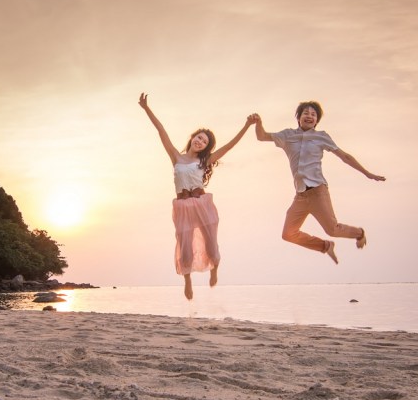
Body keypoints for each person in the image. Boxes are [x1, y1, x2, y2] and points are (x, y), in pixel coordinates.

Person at [139, 93, 254, 300]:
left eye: (204, 141)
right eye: (198, 137)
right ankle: (188, 282)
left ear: (206, 147)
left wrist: (247, 126)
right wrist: (146, 109)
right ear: (192, 138)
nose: (200, 141)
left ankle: (214, 269)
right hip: (182, 206)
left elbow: (229, 146)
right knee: (185, 247)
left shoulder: (205, 161)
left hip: (202, 204)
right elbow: (161, 131)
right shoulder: (176, 157)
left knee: (211, 244)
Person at [250, 102, 385, 264]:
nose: (309, 116)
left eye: (313, 115)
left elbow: (345, 157)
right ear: (299, 118)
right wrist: (258, 123)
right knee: (288, 234)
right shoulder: (287, 135)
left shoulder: (322, 137)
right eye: (305, 113)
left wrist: (367, 173)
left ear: (316, 121)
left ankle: (359, 233)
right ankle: (325, 246)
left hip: (318, 192)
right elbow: (261, 136)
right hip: (300, 196)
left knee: (332, 229)